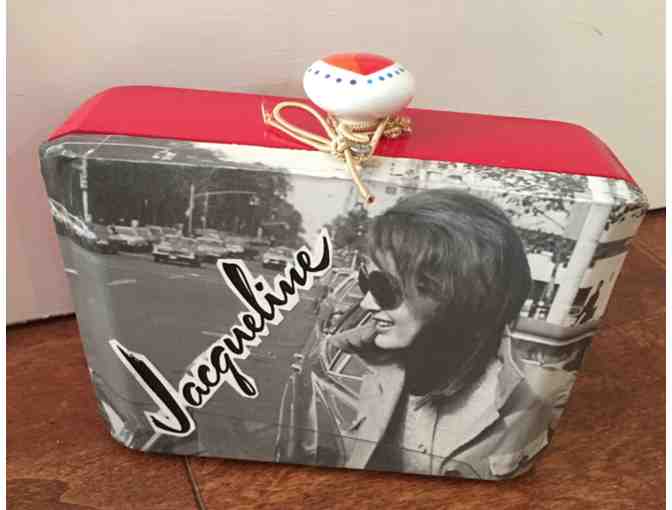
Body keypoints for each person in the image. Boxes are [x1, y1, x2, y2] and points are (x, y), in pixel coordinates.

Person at [322, 189, 552, 479]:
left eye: (384, 287)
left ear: (457, 297)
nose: (367, 303)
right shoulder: (366, 362)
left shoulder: (528, 412)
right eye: (365, 282)